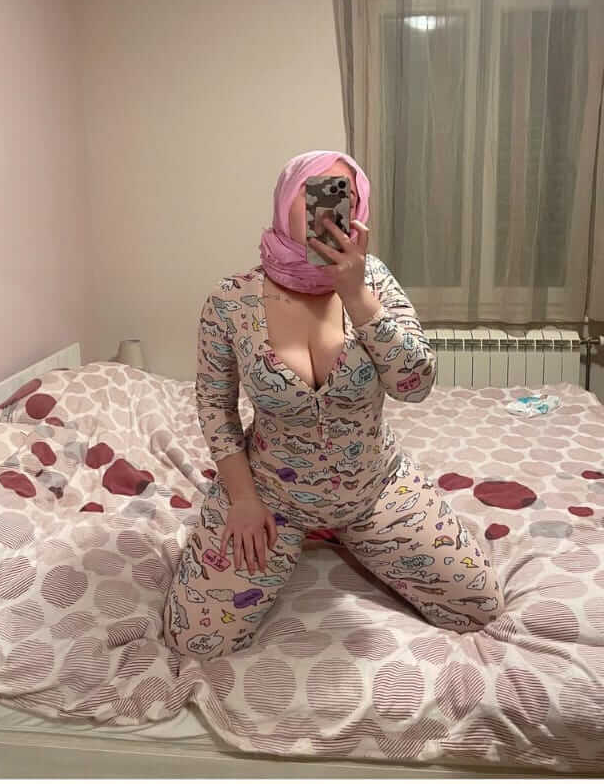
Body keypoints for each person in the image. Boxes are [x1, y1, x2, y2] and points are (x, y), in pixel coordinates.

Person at [166, 150, 504, 660]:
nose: (324, 209)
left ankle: (349, 535)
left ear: (358, 208)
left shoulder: (374, 282)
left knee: (479, 608)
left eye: (340, 195)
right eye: (312, 192)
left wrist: (356, 295)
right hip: (271, 493)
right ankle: (305, 531)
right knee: (194, 638)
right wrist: (242, 499)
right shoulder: (230, 300)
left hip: (373, 488)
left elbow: (415, 385)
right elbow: (215, 405)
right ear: (285, 200)